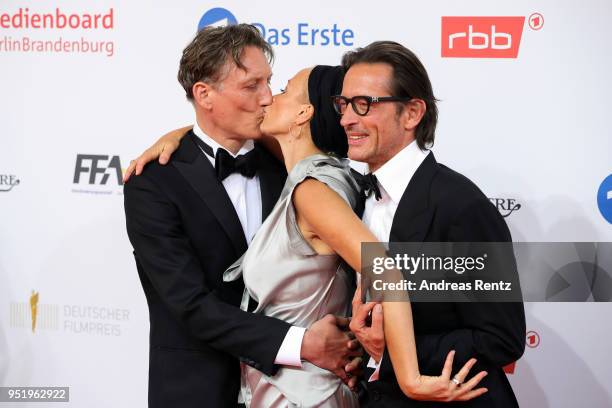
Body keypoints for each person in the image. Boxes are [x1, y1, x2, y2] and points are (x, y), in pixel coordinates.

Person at [123, 25, 360, 408]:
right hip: (200, 390)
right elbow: (190, 305)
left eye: (270, 83)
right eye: (251, 86)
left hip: (299, 388)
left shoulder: (291, 162)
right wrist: (303, 344)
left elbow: (366, 264)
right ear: (204, 94)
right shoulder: (154, 183)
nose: (267, 98)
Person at [341, 42, 526, 407]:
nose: (347, 118)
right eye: (343, 104)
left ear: (412, 113)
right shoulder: (353, 199)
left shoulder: (460, 206)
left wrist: (390, 349)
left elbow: (501, 338)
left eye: (364, 104)